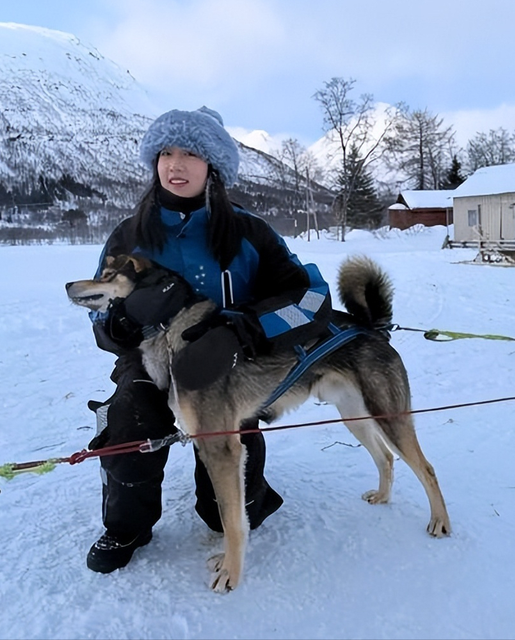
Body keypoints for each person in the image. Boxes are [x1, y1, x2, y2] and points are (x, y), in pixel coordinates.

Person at [85, 106, 333, 573]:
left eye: (191, 154)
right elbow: (99, 310)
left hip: (226, 358)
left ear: (213, 167)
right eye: (166, 152)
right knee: (130, 419)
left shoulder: (247, 231)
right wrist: (120, 323)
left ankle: (238, 505)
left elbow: (311, 296)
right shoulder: (130, 234)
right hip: (151, 362)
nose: (175, 165)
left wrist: (248, 326)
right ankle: (127, 524)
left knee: (228, 473)